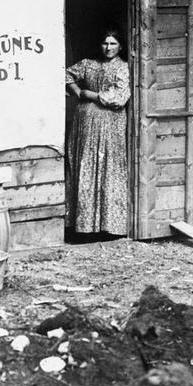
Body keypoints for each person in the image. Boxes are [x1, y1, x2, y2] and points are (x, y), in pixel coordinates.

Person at [65, 27, 131, 235]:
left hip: (110, 124)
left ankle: (108, 226)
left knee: (108, 167)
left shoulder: (123, 68)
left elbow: (118, 99)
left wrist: (88, 93)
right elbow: (66, 74)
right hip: (84, 122)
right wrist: (76, 92)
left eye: (113, 43)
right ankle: (83, 226)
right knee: (85, 164)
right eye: (105, 43)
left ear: (120, 46)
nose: (108, 47)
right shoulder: (89, 64)